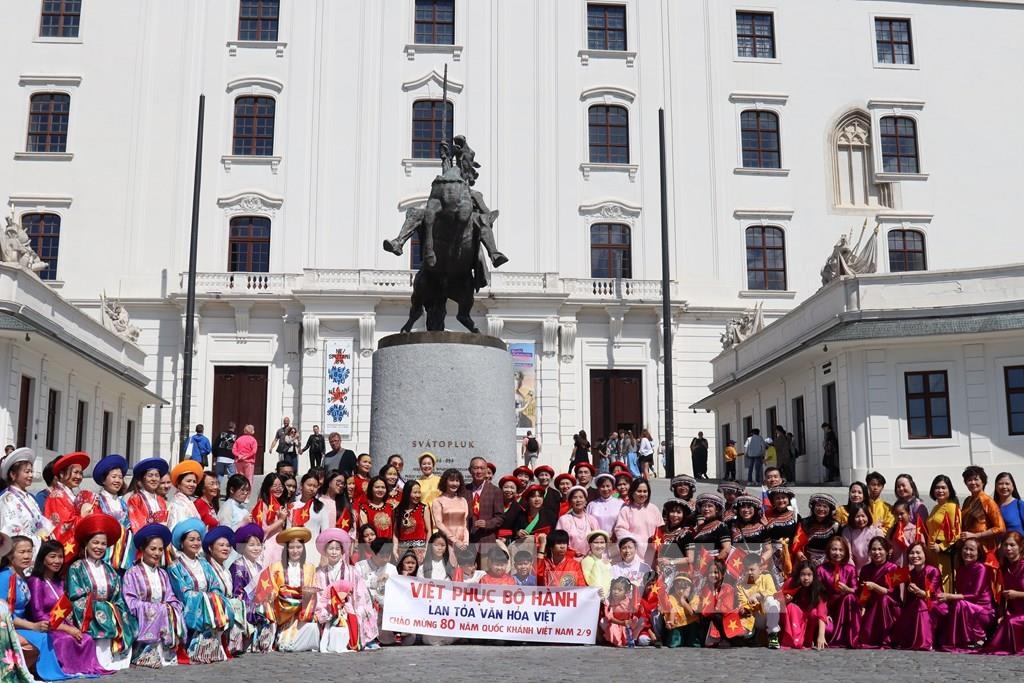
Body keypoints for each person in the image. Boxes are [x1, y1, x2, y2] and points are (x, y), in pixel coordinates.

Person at [65, 514, 137, 670]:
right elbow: (75, 597)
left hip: (111, 616)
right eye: (95, 542)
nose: (99, 547)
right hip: (90, 618)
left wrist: (113, 609)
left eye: (103, 544)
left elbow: (118, 596)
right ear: (86, 543)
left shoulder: (110, 569)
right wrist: (101, 609)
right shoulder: (76, 568)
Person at [2, 536, 71, 681]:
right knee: (40, 640)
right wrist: (33, 625)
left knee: (46, 636)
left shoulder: (22, 576)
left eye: (29, 551)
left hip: (20, 625)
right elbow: (4, 614)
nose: (27, 556)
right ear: (10, 554)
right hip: (7, 627)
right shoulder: (4, 577)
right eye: (21, 552)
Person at [121, 524, 186, 668]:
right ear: (142, 549)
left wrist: (172, 607)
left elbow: (171, 597)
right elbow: (130, 602)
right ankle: (144, 653)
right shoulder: (132, 573)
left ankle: (164, 652)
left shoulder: (163, 574)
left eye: (160, 549)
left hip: (163, 618)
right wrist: (156, 609)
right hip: (142, 621)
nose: (157, 553)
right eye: (153, 549)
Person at [167, 519, 230, 662]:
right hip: (190, 606)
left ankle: (213, 648)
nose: (196, 543)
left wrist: (213, 597)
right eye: (191, 540)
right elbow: (182, 592)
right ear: (182, 543)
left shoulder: (204, 563)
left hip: (208, 602)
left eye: (198, 539)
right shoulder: (174, 567)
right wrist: (205, 599)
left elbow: (214, 584)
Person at [314, 528, 379, 652]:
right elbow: (319, 597)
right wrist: (326, 610)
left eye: (337, 549)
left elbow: (360, 595)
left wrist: (354, 611)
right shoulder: (320, 574)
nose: (334, 552)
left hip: (348, 610)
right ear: (325, 551)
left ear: (342, 551)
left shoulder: (352, 571)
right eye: (331, 549)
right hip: (328, 610)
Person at [261, 527, 320, 652]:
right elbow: (273, 589)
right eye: (291, 547)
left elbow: (314, 591)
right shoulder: (276, 567)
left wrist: (305, 600)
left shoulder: (310, 568)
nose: (295, 551)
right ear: (286, 549)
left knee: (313, 629)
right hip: (283, 613)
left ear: (303, 548)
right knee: (285, 643)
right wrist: (282, 596)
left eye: (298, 547)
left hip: (302, 613)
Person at [937, 537, 996, 652]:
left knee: (960, 604)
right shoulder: (960, 570)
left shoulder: (981, 568)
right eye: (965, 548)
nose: (968, 552)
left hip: (983, 611)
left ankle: (979, 638)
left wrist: (950, 596)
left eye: (972, 550)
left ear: (978, 554)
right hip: (967, 607)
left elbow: (975, 595)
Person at [891, 541, 946, 650]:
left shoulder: (933, 571)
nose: (915, 556)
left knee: (920, 604)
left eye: (918, 553)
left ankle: (926, 641)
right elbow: (891, 582)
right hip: (916, 606)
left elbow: (932, 594)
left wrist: (919, 592)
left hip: (935, 605)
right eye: (912, 553)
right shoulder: (909, 573)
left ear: (925, 555)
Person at [0, 448, 55, 558]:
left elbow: (38, 524)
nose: (31, 475)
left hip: (36, 552)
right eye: (27, 472)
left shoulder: (30, 498)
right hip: (20, 557)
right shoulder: (7, 499)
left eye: (31, 471)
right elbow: (11, 532)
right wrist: (39, 539)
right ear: (13, 474)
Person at [229, 524, 274, 652]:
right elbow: (237, 593)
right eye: (251, 545)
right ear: (243, 547)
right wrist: (256, 599)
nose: (256, 548)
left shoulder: (259, 567)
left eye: (258, 544)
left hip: (258, 603)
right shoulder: (237, 566)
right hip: (244, 606)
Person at [983, 531, 1024, 655]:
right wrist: (1001, 613)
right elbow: (1002, 596)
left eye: (1012, 545)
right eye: (1005, 545)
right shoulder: (1004, 569)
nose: (1008, 548)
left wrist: (1018, 594)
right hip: (1012, 612)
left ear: (1021, 547)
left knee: (1011, 622)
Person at [856, 537, 901, 649]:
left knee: (883, 599)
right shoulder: (865, 569)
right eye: (874, 549)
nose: (877, 552)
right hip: (871, 605)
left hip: (889, 606)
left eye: (880, 549)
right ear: (869, 552)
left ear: (887, 551)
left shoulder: (894, 568)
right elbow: (863, 592)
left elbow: (891, 592)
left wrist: (874, 586)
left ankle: (886, 638)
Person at [816, 536, 859, 648]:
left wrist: (848, 590)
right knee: (829, 631)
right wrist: (825, 614)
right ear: (828, 551)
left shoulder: (850, 569)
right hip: (827, 609)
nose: (837, 553)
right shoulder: (821, 569)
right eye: (834, 549)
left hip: (846, 610)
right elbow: (818, 594)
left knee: (850, 597)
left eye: (841, 550)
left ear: (845, 552)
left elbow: (857, 590)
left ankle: (850, 637)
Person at [43, 452, 90, 550]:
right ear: (61, 474)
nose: (79, 477)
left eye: (81, 473)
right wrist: (83, 516)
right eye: (75, 472)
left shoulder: (70, 495)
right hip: (63, 549)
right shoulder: (56, 496)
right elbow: (62, 527)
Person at [735, 552, 781, 648]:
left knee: (771, 601)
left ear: (760, 570)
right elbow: (743, 603)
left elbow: (772, 591)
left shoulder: (767, 577)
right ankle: (753, 635)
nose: (749, 572)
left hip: (767, 615)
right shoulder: (740, 586)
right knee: (741, 633)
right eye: (747, 570)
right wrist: (744, 609)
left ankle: (773, 634)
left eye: (752, 569)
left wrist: (758, 595)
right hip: (753, 617)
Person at [613, 479, 663, 567]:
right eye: (639, 491)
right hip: (634, 555)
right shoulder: (626, 510)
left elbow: (661, 530)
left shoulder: (654, 509)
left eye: (645, 491)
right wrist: (636, 542)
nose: (642, 494)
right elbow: (620, 531)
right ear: (632, 492)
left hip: (652, 553)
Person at [780, 561, 827, 650]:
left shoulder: (818, 588)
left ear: (814, 576)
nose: (806, 578)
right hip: (792, 617)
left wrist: (821, 636)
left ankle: (806, 640)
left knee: (814, 613)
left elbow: (821, 613)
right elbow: (777, 603)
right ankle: (791, 639)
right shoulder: (790, 583)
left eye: (809, 575)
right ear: (798, 575)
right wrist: (785, 601)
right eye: (803, 574)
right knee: (791, 607)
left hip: (808, 619)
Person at [925, 474, 960, 593]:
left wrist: (941, 546)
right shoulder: (935, 508)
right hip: (932, 552)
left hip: (945, 553)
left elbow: (957, 532)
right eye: (937, 487)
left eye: (943, 487)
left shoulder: (951, 507)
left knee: (945, 582)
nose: (940, 490)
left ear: (949, 490)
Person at [960, 465, 1005, 555]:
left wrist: (976, 535)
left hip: (984, 549)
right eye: (969, 480)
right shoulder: (967, 500)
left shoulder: (987, 501)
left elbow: (1000, 528)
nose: (973, 482)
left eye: (976, 479)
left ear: (983, 482)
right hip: (968, 549)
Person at [289, 472, 331, 566]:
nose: (312, 488)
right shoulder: (292, 506)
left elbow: (325, 533)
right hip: (295, 551)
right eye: (309, 485)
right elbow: (288, 531)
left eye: (315, 486)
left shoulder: (320, 507)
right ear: (301, 485)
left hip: (315, 551)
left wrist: (324, 555)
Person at [601, 576, 655, 647]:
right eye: (614, 589)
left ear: (626, 592)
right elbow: (609, 618)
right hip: (614, 623)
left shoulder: (628, 601)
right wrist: (621, 623)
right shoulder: (608, 602)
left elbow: (635, 609)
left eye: (620, 590)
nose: (616, 592)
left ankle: (633, 639)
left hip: (627, 625)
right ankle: (615, 640)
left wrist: (635, 587)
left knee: (641, 620)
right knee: (603, 621)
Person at [126, 457, 170, 532]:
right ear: (143, 478)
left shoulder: (161, 500)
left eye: (157, 475)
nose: (154, 479)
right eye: (150, 475)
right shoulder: (135, 499)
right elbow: (137, 525)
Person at [392, 480, 432, 564]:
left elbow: (429, 531)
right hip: (402, 550)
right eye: (414, 492)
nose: (417, 495)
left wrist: (426, 551)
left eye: (419, 492)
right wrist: (395, 549)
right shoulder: (398, 510)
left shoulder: (423, 509)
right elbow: (395, 533)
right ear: (407, 493)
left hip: (420, 550)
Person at [432, 469, 470, 554]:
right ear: (445, 481)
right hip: (445, 542)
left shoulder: (463, 500)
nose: (455, 483)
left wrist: (466, 542)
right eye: (452, 480)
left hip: (462, 544)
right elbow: (439, 523)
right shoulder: (438, 501)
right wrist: (455, 541)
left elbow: (465, 524)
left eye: (457, 480)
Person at [556, 486, 600, 558]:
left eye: (581, 497)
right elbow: (559, 541)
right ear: (570, 502)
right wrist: (572, 552)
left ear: (586, 501)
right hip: (570, 559)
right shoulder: (564, 520)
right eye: (575, 497)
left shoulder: (592, 519)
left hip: (590, 558)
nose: (578, 500)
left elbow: (598, 540)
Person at [662, 575, 701, 648]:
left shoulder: (694, 598)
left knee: (693, 643)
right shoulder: (671, 597)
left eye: (684, 588)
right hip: (677, 623)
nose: (680, 591)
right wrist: (671, 622)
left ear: (690, 588)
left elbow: (692, 613)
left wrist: (683, 602)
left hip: (691, 622)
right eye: (678, 588)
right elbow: (672, 609)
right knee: (675, 642)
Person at [840, 503, 882, 571]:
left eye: (863, 516)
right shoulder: (847, 531)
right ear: (852, 517)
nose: (861, 519)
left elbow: (881, 554)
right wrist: (854, 572)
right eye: (857, 516)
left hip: (874, 569)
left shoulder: (876, 531)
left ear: (868, 516)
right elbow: (848, 554)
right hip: (853, 570)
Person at [167, 459, 204, 530]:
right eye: (188, 481)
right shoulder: (178, 505)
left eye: (194, 482)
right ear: (179, 483)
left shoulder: (187, 501)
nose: (192, 484)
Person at [995, 471, 1024, 537]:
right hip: (998, 546)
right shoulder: (992, 506)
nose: (1004, 486)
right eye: (1000, 484)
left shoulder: (1019, 505)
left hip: (1018, 546)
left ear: (1013, 486)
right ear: (996, 487)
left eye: (1007, 484)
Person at [213, 422, 237, 490]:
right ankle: (230, 491)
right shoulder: (235, 436)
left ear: (228, 427)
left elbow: (215, 445)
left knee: (219, 475)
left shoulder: (222, 434)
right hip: (230, 459)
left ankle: (217, 490)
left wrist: (215, 455)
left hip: (220, 458)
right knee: (232, 476)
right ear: (234, 428)